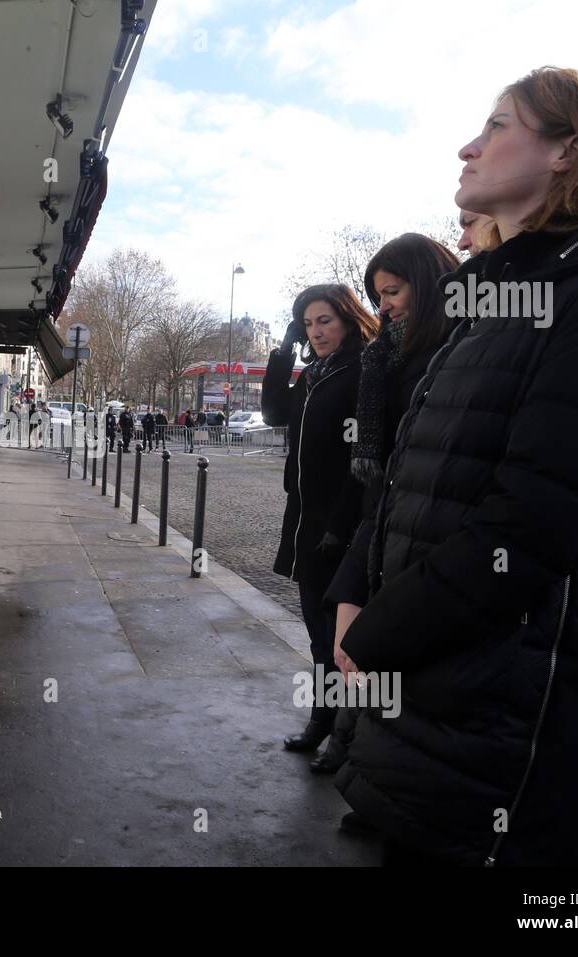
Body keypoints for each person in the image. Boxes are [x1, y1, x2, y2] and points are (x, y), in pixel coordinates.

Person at [333, 67, 578, 866]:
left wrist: (378, 633)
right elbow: (406, 475)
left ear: (569, 148)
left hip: (521, 729)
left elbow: (528, 525)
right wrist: (355, 589)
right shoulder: (495, 298)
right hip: (438, 696)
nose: (468, 147)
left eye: (498, 126)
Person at [322, 232, 463, 788]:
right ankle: (351, 746)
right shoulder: (386, 355)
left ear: (426, 284)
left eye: (393, 291)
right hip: (378, 517)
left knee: (386, 658)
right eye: (377, 295)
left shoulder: (454, 349)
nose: (383, 305)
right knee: (350, 648)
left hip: (425, 530)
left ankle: (369, 767)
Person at [261, 285, 378, 768]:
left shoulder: (363, 371)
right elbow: (272, 412)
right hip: (305, 521)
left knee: (344, 639)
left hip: (342, 525)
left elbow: (363, 458)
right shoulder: (313, 375)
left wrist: (342, 523)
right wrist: (283, 351)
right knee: (317, 634)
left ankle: (345, 739)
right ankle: (321, 721)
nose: (316, 331)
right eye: (308, 323)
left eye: (324, 320)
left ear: (348, 319)